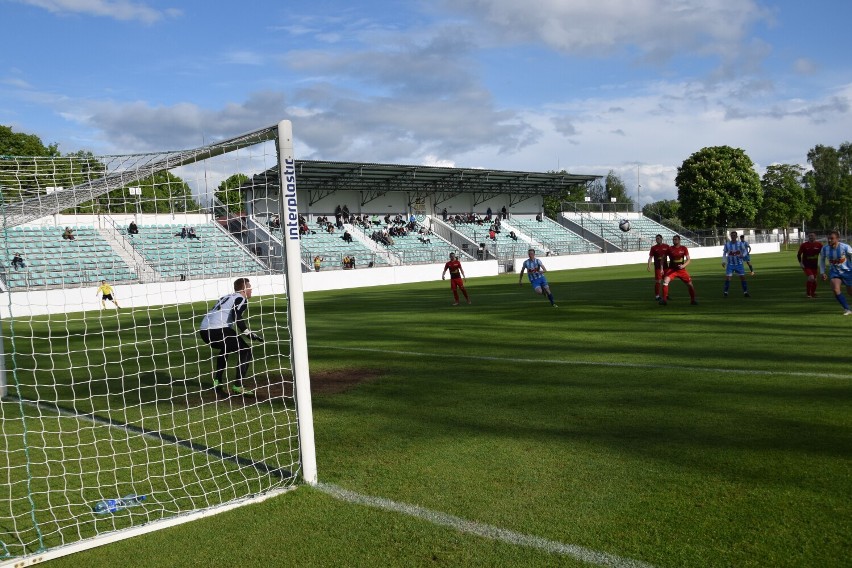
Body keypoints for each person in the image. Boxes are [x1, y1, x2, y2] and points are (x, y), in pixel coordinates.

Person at [198, 278, 263, 396]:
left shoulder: (227, 297)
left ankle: (217, 381)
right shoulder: (241, 299)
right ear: (243, 289)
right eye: (249, 287)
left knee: (227, 347)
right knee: (245, 351)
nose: (251, 289)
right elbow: (236, 315)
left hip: (204, 331)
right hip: (218, 330)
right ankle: (238, 386)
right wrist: (248, 333)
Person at [819, 230, 852, 315]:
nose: (829, 240)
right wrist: (822, 272)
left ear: (838, 239)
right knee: (835, 289)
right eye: (828, 238)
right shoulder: (825, 248)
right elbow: (822, 260)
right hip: (834, 272)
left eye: (832, 238)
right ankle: (847, 309)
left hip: (848, 272)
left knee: (850, 292)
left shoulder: (845, 247)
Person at [659, 235, 697, 305]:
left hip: (681, 271)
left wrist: (683, 265)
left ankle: (693, 300)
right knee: (665, 281)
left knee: (690, 284)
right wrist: (661, 269)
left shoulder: (684, 248)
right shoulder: (669, 249)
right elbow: (662, 259)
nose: (674, 241)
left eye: (676, 239)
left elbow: (688, 259)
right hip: (672, 270)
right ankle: (664, 300)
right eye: (673, 240)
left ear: (679, 240)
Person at [722, 230, 750, 298]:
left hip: (739, 264)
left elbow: (745, 251)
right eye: (732, 235)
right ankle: (725, 292)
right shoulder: (727, 244)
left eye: (734, 235)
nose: (733, 237)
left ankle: (745, 292)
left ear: (736, 236)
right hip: (730, 264)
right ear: (730, 236)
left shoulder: (740, 244)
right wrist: (723, 261)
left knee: (742, 278)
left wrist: (743, 255)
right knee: (728, 278)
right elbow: (724, 253)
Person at [797, 232, 823, 298]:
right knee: (811, 277)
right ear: (808, 237)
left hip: (814, 265)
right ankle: (808, 294)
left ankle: (813, 293)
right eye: (810, 236)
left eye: (812, 236)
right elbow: (799, 255)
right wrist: (801, 263)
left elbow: (823, 254)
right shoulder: (804, 245)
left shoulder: (819, 245)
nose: (811, 237)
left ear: (815, 237)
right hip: (806, 265)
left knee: (814, 280)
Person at [646, 234, 669, 301]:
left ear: (662, 239)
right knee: (658, 281)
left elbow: (671, 255)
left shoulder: (666, 246)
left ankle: (666, 295)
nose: (657, 239)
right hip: (658, 267)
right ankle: (657, 296)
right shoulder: (653, 248)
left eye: (658, 238)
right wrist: (649, 266)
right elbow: (650, 257)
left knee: (666, 281)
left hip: (665, 266)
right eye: (656, 239)